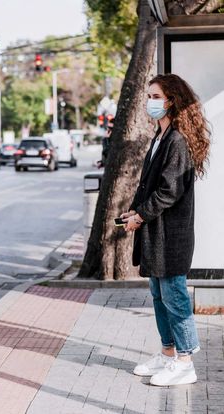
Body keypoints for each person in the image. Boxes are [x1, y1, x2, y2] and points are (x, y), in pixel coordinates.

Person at [120, 74, 210, 386]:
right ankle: (168, 354)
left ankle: (185, 362)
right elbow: (149, 186)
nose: (149, 102)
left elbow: (169, 191)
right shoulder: (161, 137)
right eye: (149, 96)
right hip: (156, 234)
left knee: (174, 295)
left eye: (155, 96)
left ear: (171, 100)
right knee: (159, 294)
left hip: (171, 236)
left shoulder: (178, 141)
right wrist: (133, 210)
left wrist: (140, 217)